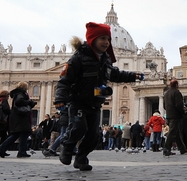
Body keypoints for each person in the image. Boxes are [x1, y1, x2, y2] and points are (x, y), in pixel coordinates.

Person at [53, 22, 143, 171]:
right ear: (92, 39)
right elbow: (64, 80)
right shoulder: (78, 58)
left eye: (108, 39)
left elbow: (115, 74)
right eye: (102, 38)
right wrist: (60, 99)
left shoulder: (106, 59)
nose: (106, 42)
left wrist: (133, 75)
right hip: (78, 101)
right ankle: (66, 147)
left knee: (94, 135)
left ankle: (81, 158)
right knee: (78, 128)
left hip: (95, 103)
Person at [0, 81, 37, 158]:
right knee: (24, 133)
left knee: (16, 134)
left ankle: (1, 149)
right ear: (24, 87)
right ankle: (21, 152)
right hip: (21, 117)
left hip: (18, 117)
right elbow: (19, 102)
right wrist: (29, 102)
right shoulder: (21, 94)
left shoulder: (17, 93)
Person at [162, 79, 187, 156]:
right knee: (172, 132)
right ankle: (166, 148)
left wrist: (168, 111)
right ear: (176, 85)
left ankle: (182, 148)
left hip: (169, 115)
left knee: (176, 133)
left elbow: (164, 105)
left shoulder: (166, 93)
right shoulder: (177, 92)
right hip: (175, 115)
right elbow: (179, 105)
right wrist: (183, 112)